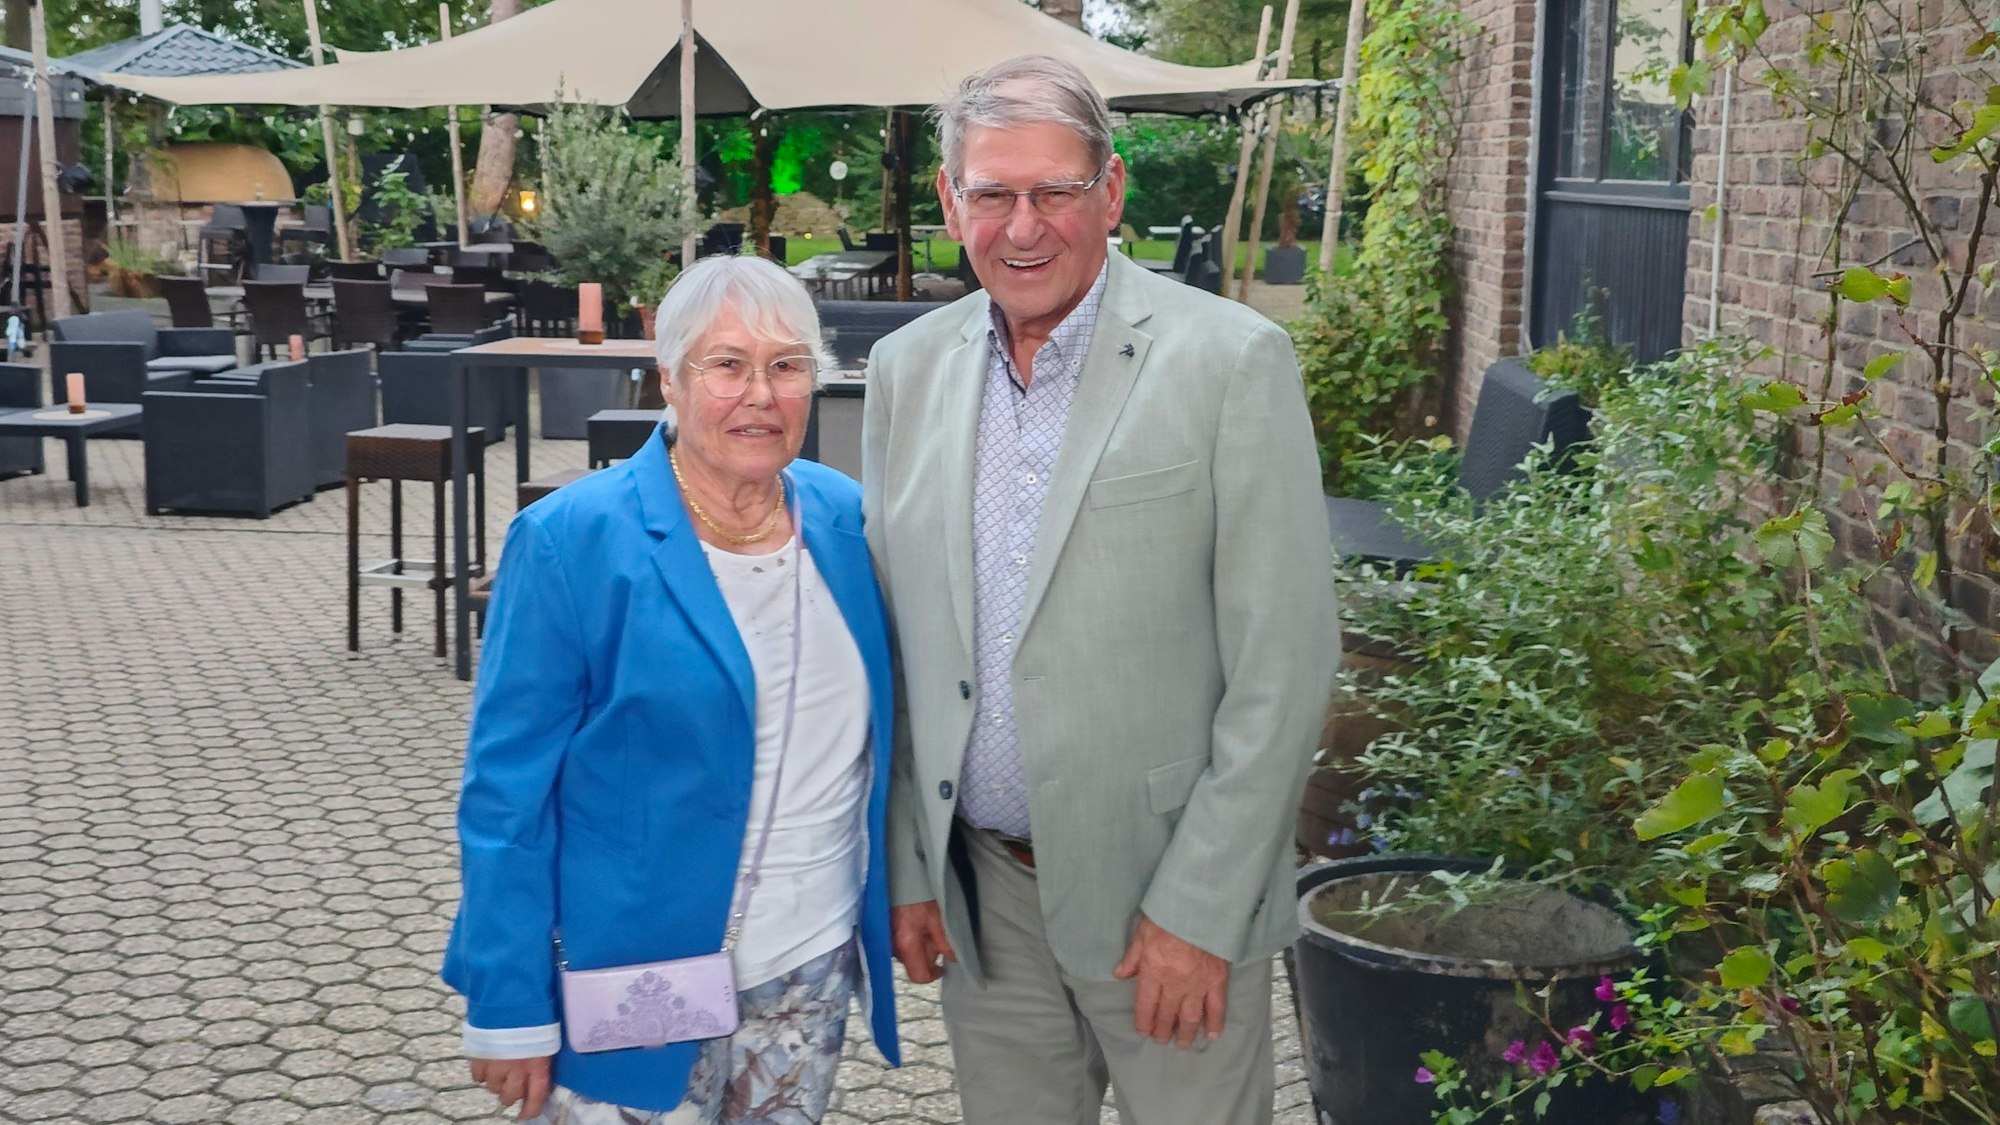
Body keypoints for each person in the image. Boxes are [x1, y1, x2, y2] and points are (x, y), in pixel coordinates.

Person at [861, 55, 1339, 1125]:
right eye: (990, 194)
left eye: (1053, 192)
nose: (1021, 227)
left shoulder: (1230, 362)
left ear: (1110, 193)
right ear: (950, 201)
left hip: (1162, 905)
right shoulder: (906, 370)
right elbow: (898, 646)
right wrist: (908, 868)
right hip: (983, 903)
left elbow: (1285, 665)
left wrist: (1200, 911)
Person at [442, 253, 901, 1123]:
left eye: (786, 365)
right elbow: (505, 796)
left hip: (808, 963)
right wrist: (508, 1005)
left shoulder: (850, 520)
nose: (759, 393)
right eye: (726, 364)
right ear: (670, 379)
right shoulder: (570, 541)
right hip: (632, 972)